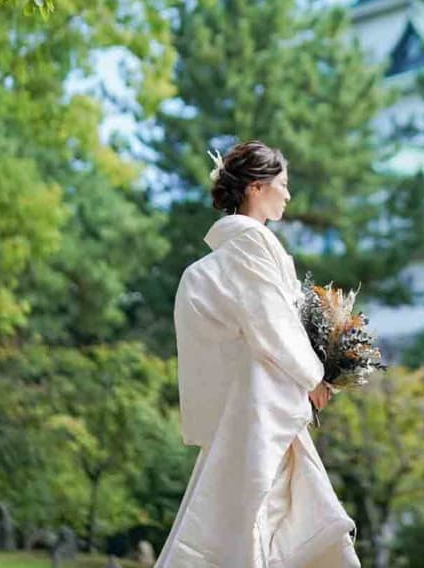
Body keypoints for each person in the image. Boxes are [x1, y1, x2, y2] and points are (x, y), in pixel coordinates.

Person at [157, 141, 359, 568]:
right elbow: (271, 325)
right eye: (281, 185)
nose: (287, 195)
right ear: (255, 187)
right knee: (258, 511)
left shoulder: (237, 251)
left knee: (267, 510)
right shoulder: (251, 245)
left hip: (261, 401)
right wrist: (313, 378)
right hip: (262, 405)